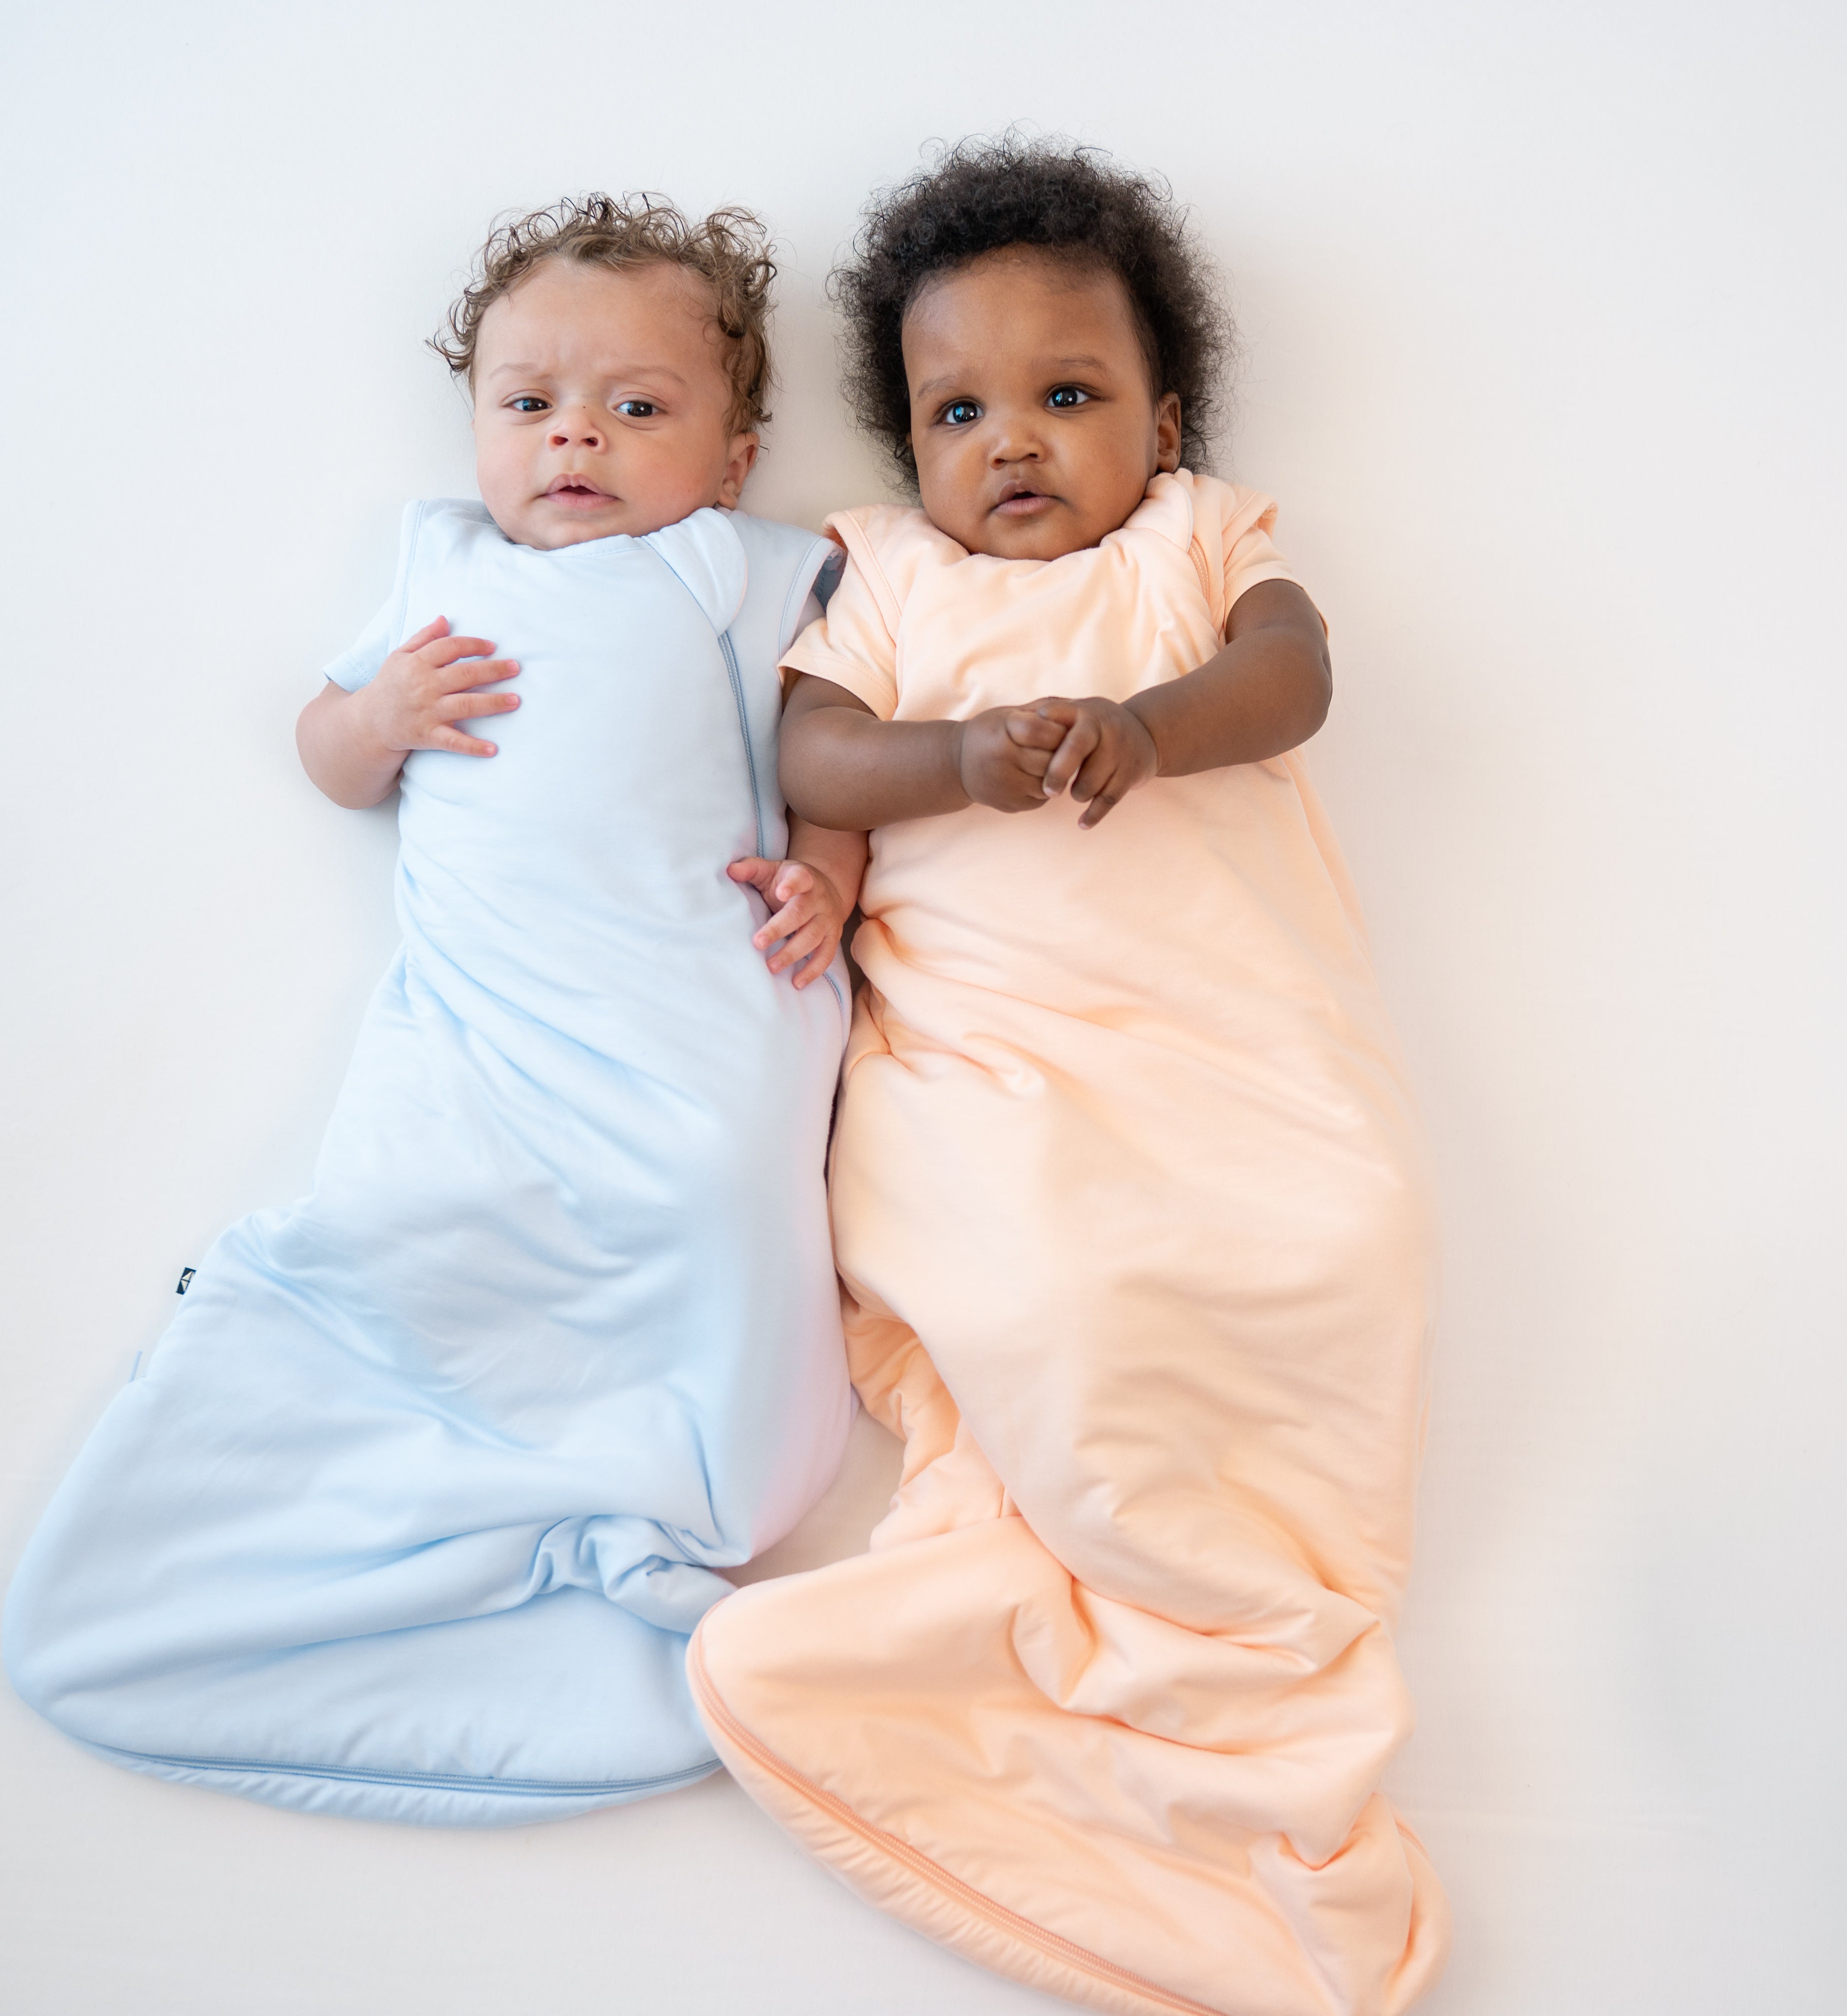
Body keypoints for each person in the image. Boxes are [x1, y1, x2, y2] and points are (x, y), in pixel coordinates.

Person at [686, 138, 1451, 2014]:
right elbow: (817, 757)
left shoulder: (1199, 544)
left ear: (1163, 426)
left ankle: (1232, 1677)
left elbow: (1296, 678)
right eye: (960, 412)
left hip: (1242, 1058)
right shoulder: (885, 580)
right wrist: (955, 762)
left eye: (1070, 396)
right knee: (1050, 1289)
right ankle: (1128, 1662)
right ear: (909, 448)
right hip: (1001, 1072)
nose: (1013, 443)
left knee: (1338, 1242)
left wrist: (1149, 729)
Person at [4, 195, 863, 1826]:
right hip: (486, 1031)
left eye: (638, 405)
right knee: (418, 1206)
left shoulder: (749, 572)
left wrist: (829, 873)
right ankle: (436, 1473)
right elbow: (330, 762)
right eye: (530, 402)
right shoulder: (440, 567)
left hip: (689, 1014)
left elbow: (839, 750)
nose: (575, 438)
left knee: (717, 1199)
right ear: (478, 424)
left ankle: (666, 1486)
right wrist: (380, 717)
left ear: (735, 459)